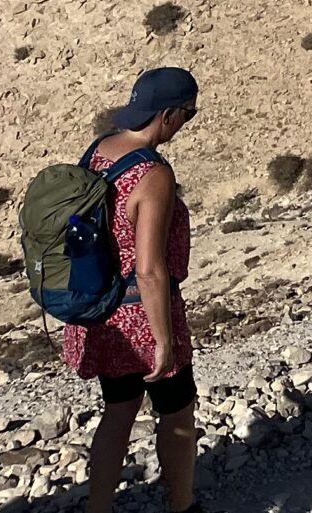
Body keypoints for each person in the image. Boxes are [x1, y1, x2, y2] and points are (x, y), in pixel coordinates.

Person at [65, 69, 201, 513]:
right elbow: (149, 269)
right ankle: (182, 506)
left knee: (119, 410)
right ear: (169, 115)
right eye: (188, 114)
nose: (185, 124)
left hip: (102, 311)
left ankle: (98, 508)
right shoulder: (153, 173)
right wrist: (163, 340)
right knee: (177, 412)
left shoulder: (99, 151)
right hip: (143, 315)